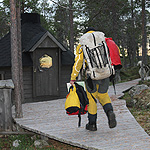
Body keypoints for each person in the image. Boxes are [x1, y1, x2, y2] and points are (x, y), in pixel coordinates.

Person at [70, 27, 117, 131]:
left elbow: (78, 62)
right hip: (106, 73)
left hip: (92, 76)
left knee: (91, 99)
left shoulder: (83, 43)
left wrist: (73, 78)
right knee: (103, 95)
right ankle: (109, 112)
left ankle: (92, 124)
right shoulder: (103, 40)